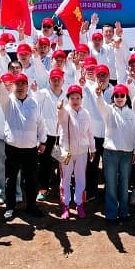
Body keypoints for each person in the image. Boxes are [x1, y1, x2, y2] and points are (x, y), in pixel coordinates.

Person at [0, 72, 48, 221]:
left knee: (31, 179)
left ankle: (31, 205)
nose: (20, 87)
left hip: (30, 148)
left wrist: (43, 141)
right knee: (10, 179)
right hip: (13, 148)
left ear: (27, 86)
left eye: (23, 84)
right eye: (17, 84)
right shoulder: (8, 102)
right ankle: (10, 207)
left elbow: (41, 123)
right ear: (13, 86)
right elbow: (2, 94)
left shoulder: (34, 103)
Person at [99, 84, 135, 222]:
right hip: (110, 153)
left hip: (126, 154)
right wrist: (98, 95)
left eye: (122, 95)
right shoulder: (109, 110)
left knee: (124, 184)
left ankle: (123, 212)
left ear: (126, 97)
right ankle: (111, 214)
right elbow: (101, 105)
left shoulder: (131, 113)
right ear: (113, 97)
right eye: (116, 95)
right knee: (111, 184)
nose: (119, 98)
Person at [55, 85, 94, 220]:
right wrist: (60, 108)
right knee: (65, 178)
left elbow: (90, 133)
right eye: (72, 98)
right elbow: (61, 117)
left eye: (78, 98)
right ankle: (65, 205)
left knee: (80, 179)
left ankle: (79, 204)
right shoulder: (65, 111)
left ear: (81, 99)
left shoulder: (86, 113)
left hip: (82, 152)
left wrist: (92, 149)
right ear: (68, 99)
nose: (75, 101)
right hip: (65, 151)